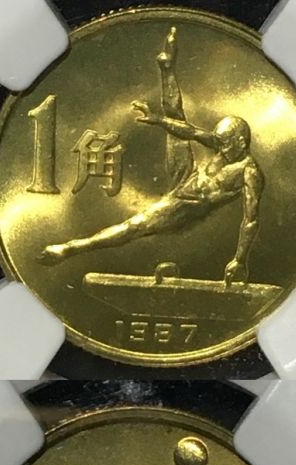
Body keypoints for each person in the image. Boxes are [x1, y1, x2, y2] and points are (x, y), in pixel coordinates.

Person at [40, 27, 264, 286]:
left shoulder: (249, 172)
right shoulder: (224, 143)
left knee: (133, 227)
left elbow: (250, 220)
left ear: (240, 142)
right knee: (176, 118)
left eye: (224, 144)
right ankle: (167, 68)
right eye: (218, 141)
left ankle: (69, 248)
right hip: (187, 176)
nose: (219, 148)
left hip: (186, 206)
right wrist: (158, 120)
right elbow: (191, 131)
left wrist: (240, 260)